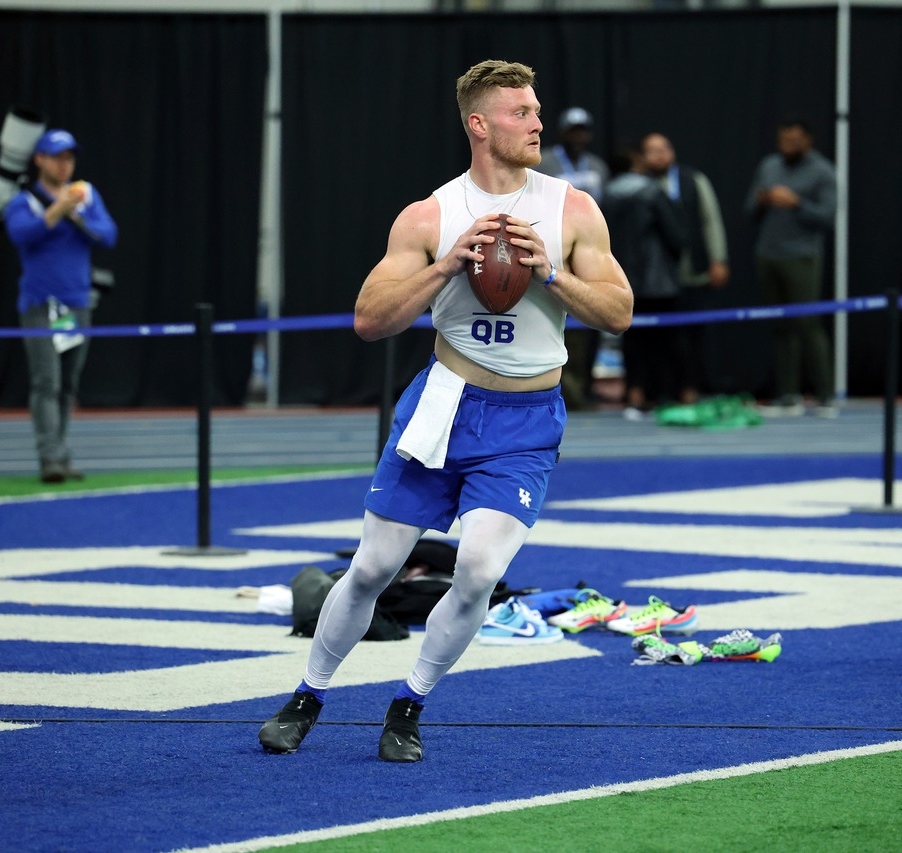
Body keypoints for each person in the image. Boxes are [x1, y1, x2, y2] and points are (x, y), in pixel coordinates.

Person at [257, 60, 633, 762]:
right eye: (522, 112)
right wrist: (445, 266)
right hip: (444, 406)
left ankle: (409, 704)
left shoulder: (573, 209)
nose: (538, 123)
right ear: (479, 124)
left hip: (526, 419)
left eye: (537, 110)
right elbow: (369, 320)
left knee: (480, 570)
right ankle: (307, 695)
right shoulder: (429, 214)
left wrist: (551, 273)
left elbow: (619, 313)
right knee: (372, 567)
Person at [3, 129, 118, 483]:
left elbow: (109, 235)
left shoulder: (86, 196)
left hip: (76, 305)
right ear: (39, 159)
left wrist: (77, 215)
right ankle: (49, 457)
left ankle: (61, 452)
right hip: (41, 305)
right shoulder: (25, 201)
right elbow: (20, 235)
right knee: (46, 382)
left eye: (69, 158)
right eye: (57, 157)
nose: (64, 165)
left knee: (68, 384)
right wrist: (57, 210)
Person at [744, 119, 838, 417]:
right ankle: (788, 396)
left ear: (808, 140)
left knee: (807, 324)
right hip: (768, 254)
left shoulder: (822, 171)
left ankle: (826, 396)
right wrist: (763, 200)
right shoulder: (769, 165)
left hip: (802, 256)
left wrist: (796, 203)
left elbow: (828, 217)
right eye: (783, 140)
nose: (788, 146)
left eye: (794, 140)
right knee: (780, 326)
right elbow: (750, 209)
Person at [641, 132, 730, 404]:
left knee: (694, 335)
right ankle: (660, 392)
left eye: (664, 148)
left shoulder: (694, 180)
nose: (659, 155)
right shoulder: (641, 185)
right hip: (655, 278)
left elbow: (710, 220)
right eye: (652, 150)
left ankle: (691, 387)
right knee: (658, 337)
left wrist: (718, 259)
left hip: (693, 271)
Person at [535, 106, 612, 410]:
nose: (579, 137)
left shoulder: (598, 166)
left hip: (588, 251)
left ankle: (584, 387)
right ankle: (563, 389)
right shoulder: (544, 162)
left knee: (590, 319)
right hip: (554, 249)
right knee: (555, 319)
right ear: (562, 133)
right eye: (573, 131)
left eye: (583, 131)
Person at [603, 146, 687, 415]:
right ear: (634, 163)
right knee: (664, 339)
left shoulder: (606, 194)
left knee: (632, 339)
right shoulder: (652, 191)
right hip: (657, 279)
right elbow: (676, 236)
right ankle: (666, 393)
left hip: (620, 276)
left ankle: (635, 392)